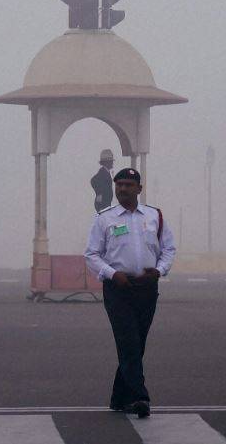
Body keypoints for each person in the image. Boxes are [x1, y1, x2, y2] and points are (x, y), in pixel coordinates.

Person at [84, 168, 175, 419]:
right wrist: (113, 274)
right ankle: (139, 397)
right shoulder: (105, 218)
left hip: (146, 287)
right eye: (119, 184)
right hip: (118, 289)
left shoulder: (155, 216)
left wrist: (159, 271)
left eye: (128, 185)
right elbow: (91, 254)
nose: (122, 189)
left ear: (139, 188)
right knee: (129, 343)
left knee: (137, 344)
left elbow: (168, 249)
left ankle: (119, 398)